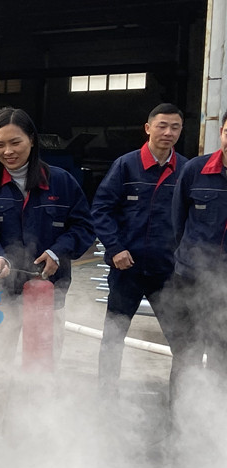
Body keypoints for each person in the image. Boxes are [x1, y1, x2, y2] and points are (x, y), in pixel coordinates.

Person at [0, 108, 95, 430]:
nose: (8, 152)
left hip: (46, 296)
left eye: (15, 143)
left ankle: (38, 437)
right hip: (0, 295)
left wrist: (58, 251)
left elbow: (84, 227)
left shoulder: (62, 182)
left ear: (32, 140)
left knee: (42, 368)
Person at [91, 103, 187, 399]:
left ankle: (181, 404)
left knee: (183, 343)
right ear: (148, 128)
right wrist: (115, 248)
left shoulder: (185, 170)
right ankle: (106, 398)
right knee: (113, 337)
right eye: (162, 126)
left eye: (175, 127)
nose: (168, 132)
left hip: (167, 273)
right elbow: (101, 209)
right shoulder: (126, 166)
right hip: (126, 270)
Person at [167, 109, 227, 409]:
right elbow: (177, 221)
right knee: (186, 353)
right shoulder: (195, 170)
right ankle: (179, 419)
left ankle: (215, 419)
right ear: (222, 133)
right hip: (190, 278)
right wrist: (190, 258)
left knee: (222, 355)